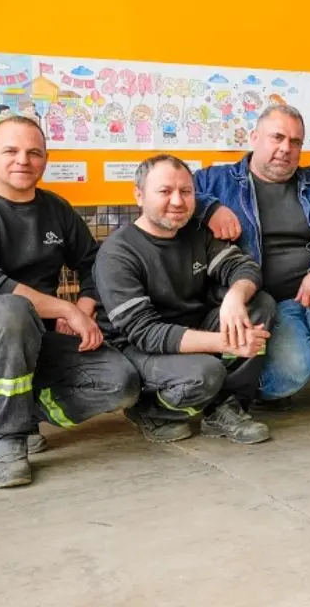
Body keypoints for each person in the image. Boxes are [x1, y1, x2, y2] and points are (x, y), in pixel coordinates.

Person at [0, 117, 139, 488]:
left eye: (34, 152)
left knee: (121, 383)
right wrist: (65, 309)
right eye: (10, 151)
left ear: (46, 158)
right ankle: (8, 439)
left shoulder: (56, 209)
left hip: (39, 344)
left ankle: (20, 411)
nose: (23, 160)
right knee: (10, 309)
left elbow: (95, 263)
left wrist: (85, 306)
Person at [194, 105, 310, 417]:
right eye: (277, 137)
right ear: (255, 137)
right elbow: (172, 197)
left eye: (295, 141)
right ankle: (260, 384)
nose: (286, 148)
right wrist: (209, 208)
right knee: (292, 375)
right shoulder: (214, 181)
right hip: (265, 307)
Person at [96, 155, 277, 446]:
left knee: (259, 304)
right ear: (139, 196)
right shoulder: (118, 253)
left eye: (186, 191)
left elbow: (243, 267)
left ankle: (225, 407)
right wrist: (225, 343)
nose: (178, 201)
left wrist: (235, 295)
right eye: (165, 191)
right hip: (138, 348)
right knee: (204, 374)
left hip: (191, 330)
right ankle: (151, 410)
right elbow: (146, 333)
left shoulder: (196, 233)